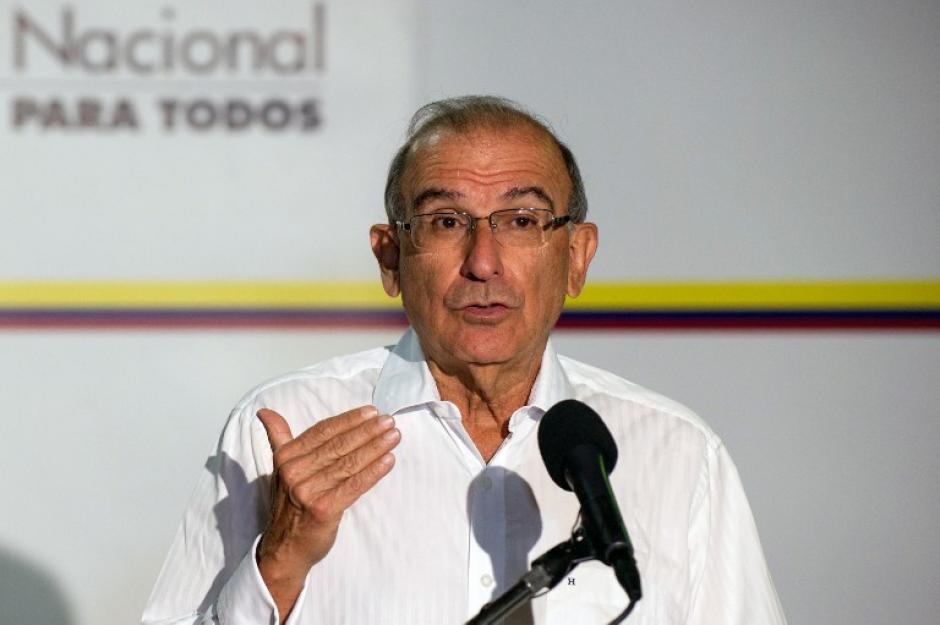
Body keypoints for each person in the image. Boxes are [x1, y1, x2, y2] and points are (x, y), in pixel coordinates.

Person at [142, 96, 786, 625]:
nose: (483, 262)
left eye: (522, 221)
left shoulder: (677, 453)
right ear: (390, 257)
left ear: (578, 256)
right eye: (447, 221)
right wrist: (278, 562)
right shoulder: (282, 429)